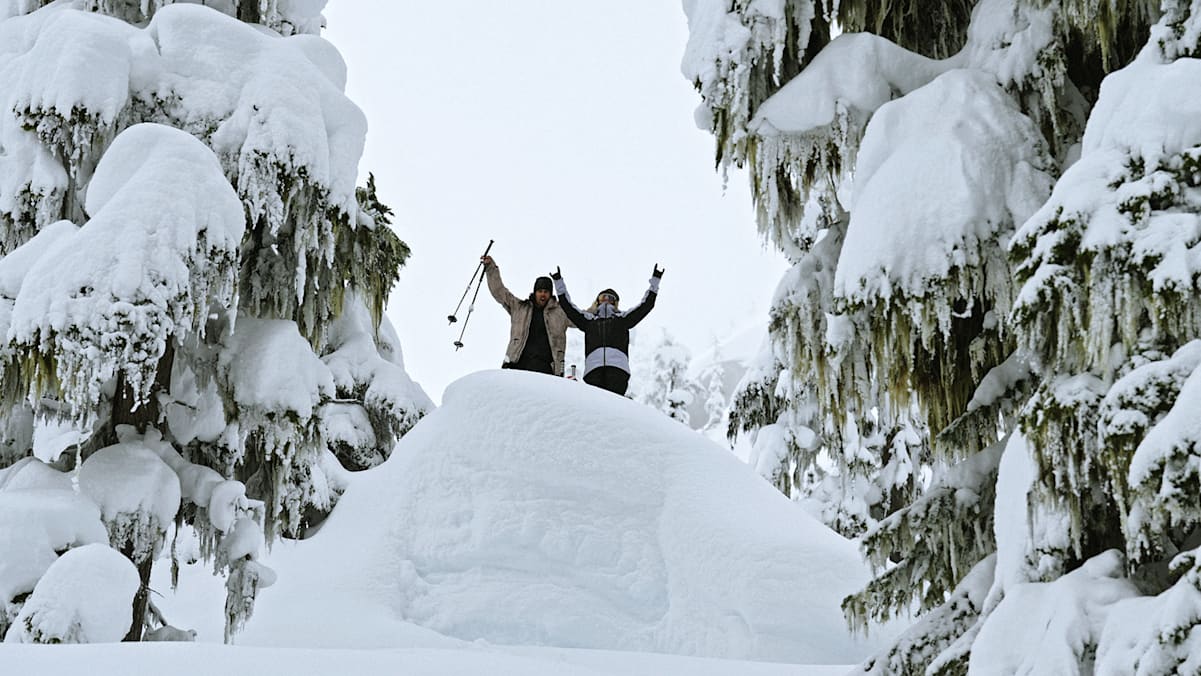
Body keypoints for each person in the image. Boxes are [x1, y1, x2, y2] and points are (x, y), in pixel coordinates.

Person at [553, 265, 663, 396]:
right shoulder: (589, 320)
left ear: (615, 303)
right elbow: (568, 307)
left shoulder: (622, 319)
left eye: (610, 298)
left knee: (614, 406)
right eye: (602, 297)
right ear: (597, 302)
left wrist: (655, 280)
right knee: (596, 407)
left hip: (618, 369)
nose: (606, 300)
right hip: (593, 369)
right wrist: (558, 282)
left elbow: (645, 306)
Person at [482, 255, 572, 376]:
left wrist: (600, 304)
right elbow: (500, 292)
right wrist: (490, 268)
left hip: (546, 368)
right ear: (535, 292)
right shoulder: (520, 308)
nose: (543, 295)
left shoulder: (560, 313)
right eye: (540, 291)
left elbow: (580, 318)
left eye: (546, 291)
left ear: (550, 294)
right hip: (517, 364)